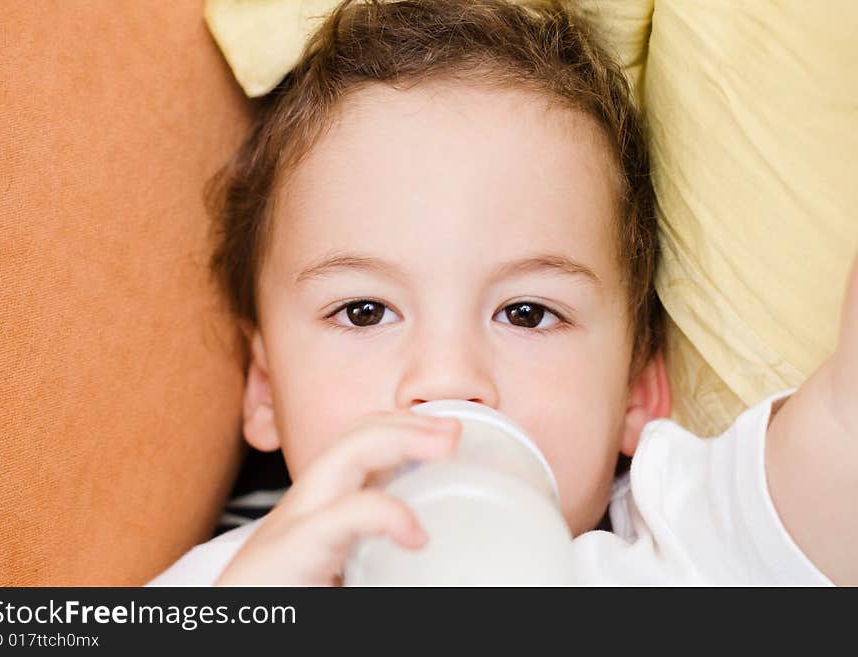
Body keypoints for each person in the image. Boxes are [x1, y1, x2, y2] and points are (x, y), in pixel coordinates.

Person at [149, 0, 854, 586]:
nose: (450, 376)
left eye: (527, 312)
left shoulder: (672, 552)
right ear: (267, 387)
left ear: (638, 389)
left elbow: (838, 444)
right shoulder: (239, 581)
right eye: (364, 310)